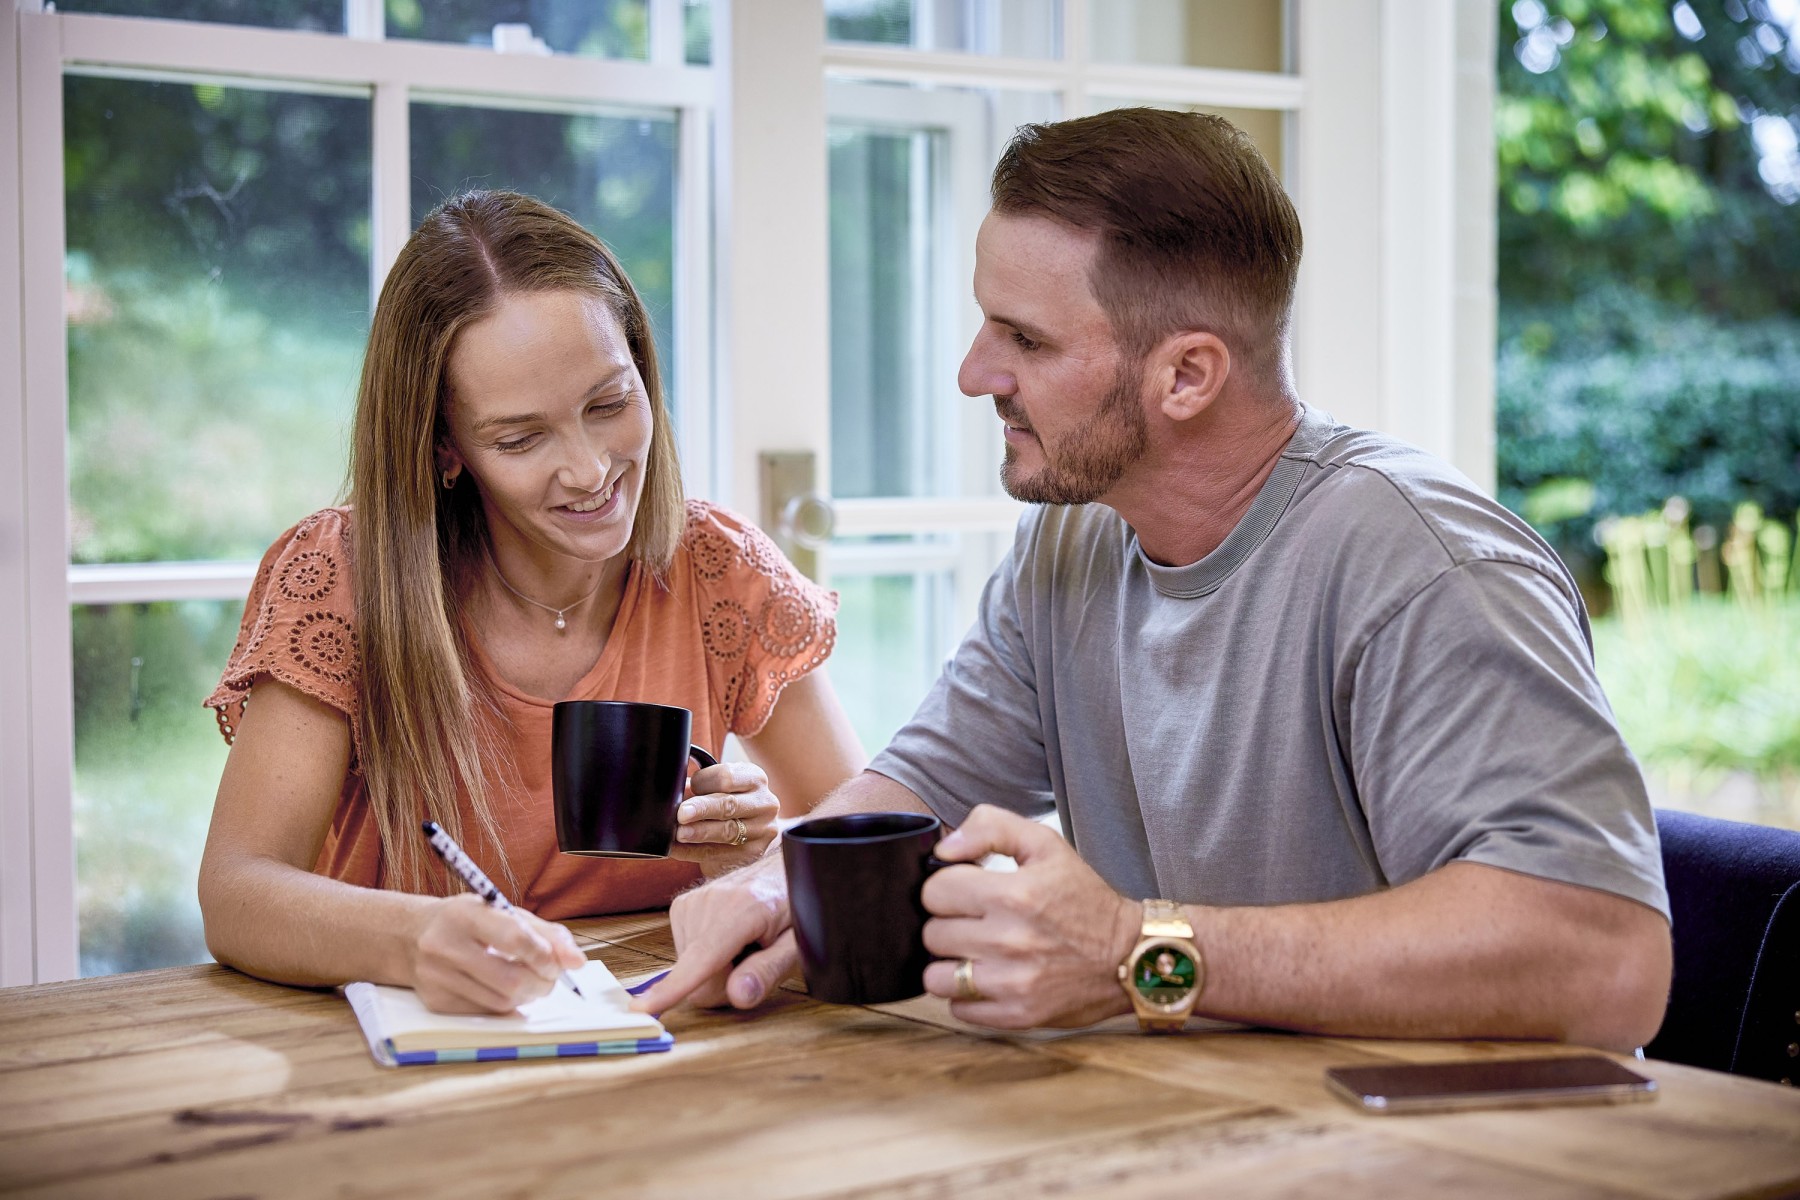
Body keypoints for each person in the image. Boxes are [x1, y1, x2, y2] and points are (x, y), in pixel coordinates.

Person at [635, 109, 1673, 1052]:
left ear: (1186, 375)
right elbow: (918, 785)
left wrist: (1138, 951)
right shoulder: (1075, 541)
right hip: (1203, 1120)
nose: (972, 374)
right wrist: (776, 886)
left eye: (1025, 340)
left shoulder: (1423, 570)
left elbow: (1606, 960)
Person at [198, 190, 865, 1014]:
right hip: (406, 1053)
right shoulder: (345, 576)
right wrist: (412, 938)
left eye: (609, 404)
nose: (589, 471)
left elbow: (864, 830)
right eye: (520, 439)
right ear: (445, 448)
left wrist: (760, 866)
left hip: (670, 1033)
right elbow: (236, 892)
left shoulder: (718, 568)